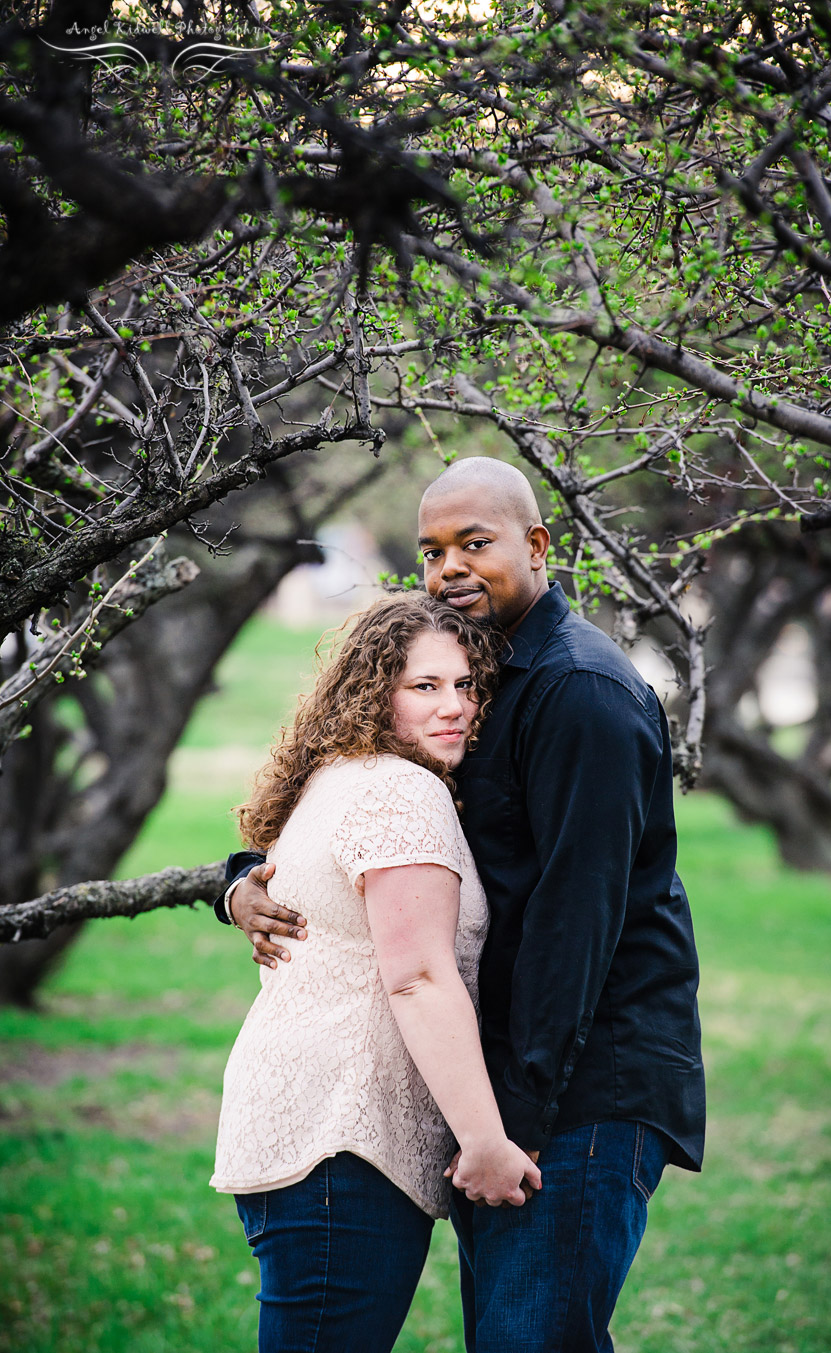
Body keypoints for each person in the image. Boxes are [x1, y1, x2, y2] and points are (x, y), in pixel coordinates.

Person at [220, 457, 706, 1353]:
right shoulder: (475, 679)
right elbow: (358, 813)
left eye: (474, 543)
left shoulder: (582, 693)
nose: (449, 568)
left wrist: (500, 1128)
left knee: (533, 1339)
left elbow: (575, 924)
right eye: (432, 549)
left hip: (581, 1085)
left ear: (537, 544)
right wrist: (241, 878)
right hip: (505, 1082)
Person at [210, 591, 541, 1353]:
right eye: (424, 686)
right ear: (373, 689)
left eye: (465, 685)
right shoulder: (401, 792)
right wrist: (485, 1139)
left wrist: (233, 891)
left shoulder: (344, 773)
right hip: (343, 1143)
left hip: (305, 1132)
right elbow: (418, 976)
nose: (454, 706)